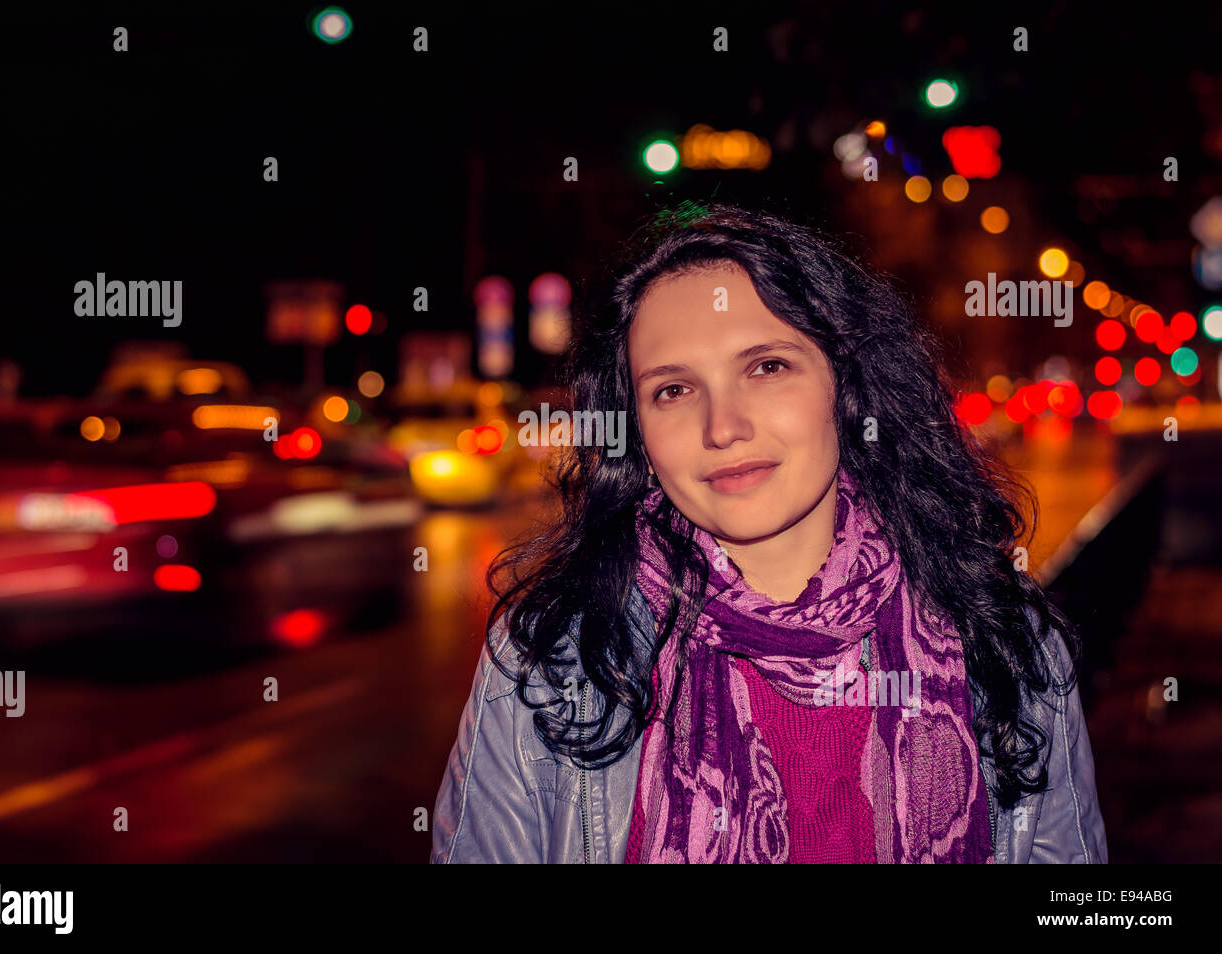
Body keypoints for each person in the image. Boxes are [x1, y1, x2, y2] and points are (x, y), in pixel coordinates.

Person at [431, 201, 1108, 863]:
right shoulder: (553, 661)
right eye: (673, 389)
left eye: (767, 367)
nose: (722, 427)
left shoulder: (1008, 644)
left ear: (847, 387)